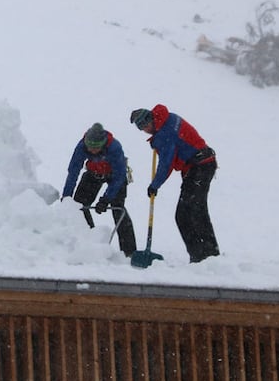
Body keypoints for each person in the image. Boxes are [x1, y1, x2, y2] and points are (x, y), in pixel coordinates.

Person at [130, 105, 220, 263]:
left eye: (145, 126)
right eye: (141, 128)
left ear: (151, 118)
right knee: (194, 211)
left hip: (200, 166)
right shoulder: (168, 118)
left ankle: (204, 256)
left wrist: (155, 185)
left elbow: (167, 163)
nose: (145, 130)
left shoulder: (164, 133)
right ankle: (206, 255)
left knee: (187, 213)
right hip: (200, 165)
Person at [60, 123, 138, 257]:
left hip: (115, 175)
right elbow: (73, 171)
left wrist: (106, 199)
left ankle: (129, 251)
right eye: (90, 147)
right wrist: (67, 196)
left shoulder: (114, 147)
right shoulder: (82, 146)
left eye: (96, 148)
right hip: (94, 173)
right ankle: (89, 240)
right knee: (79, 206)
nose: (92, 150)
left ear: (103, 144)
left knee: (118, 209)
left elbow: (119, 177)